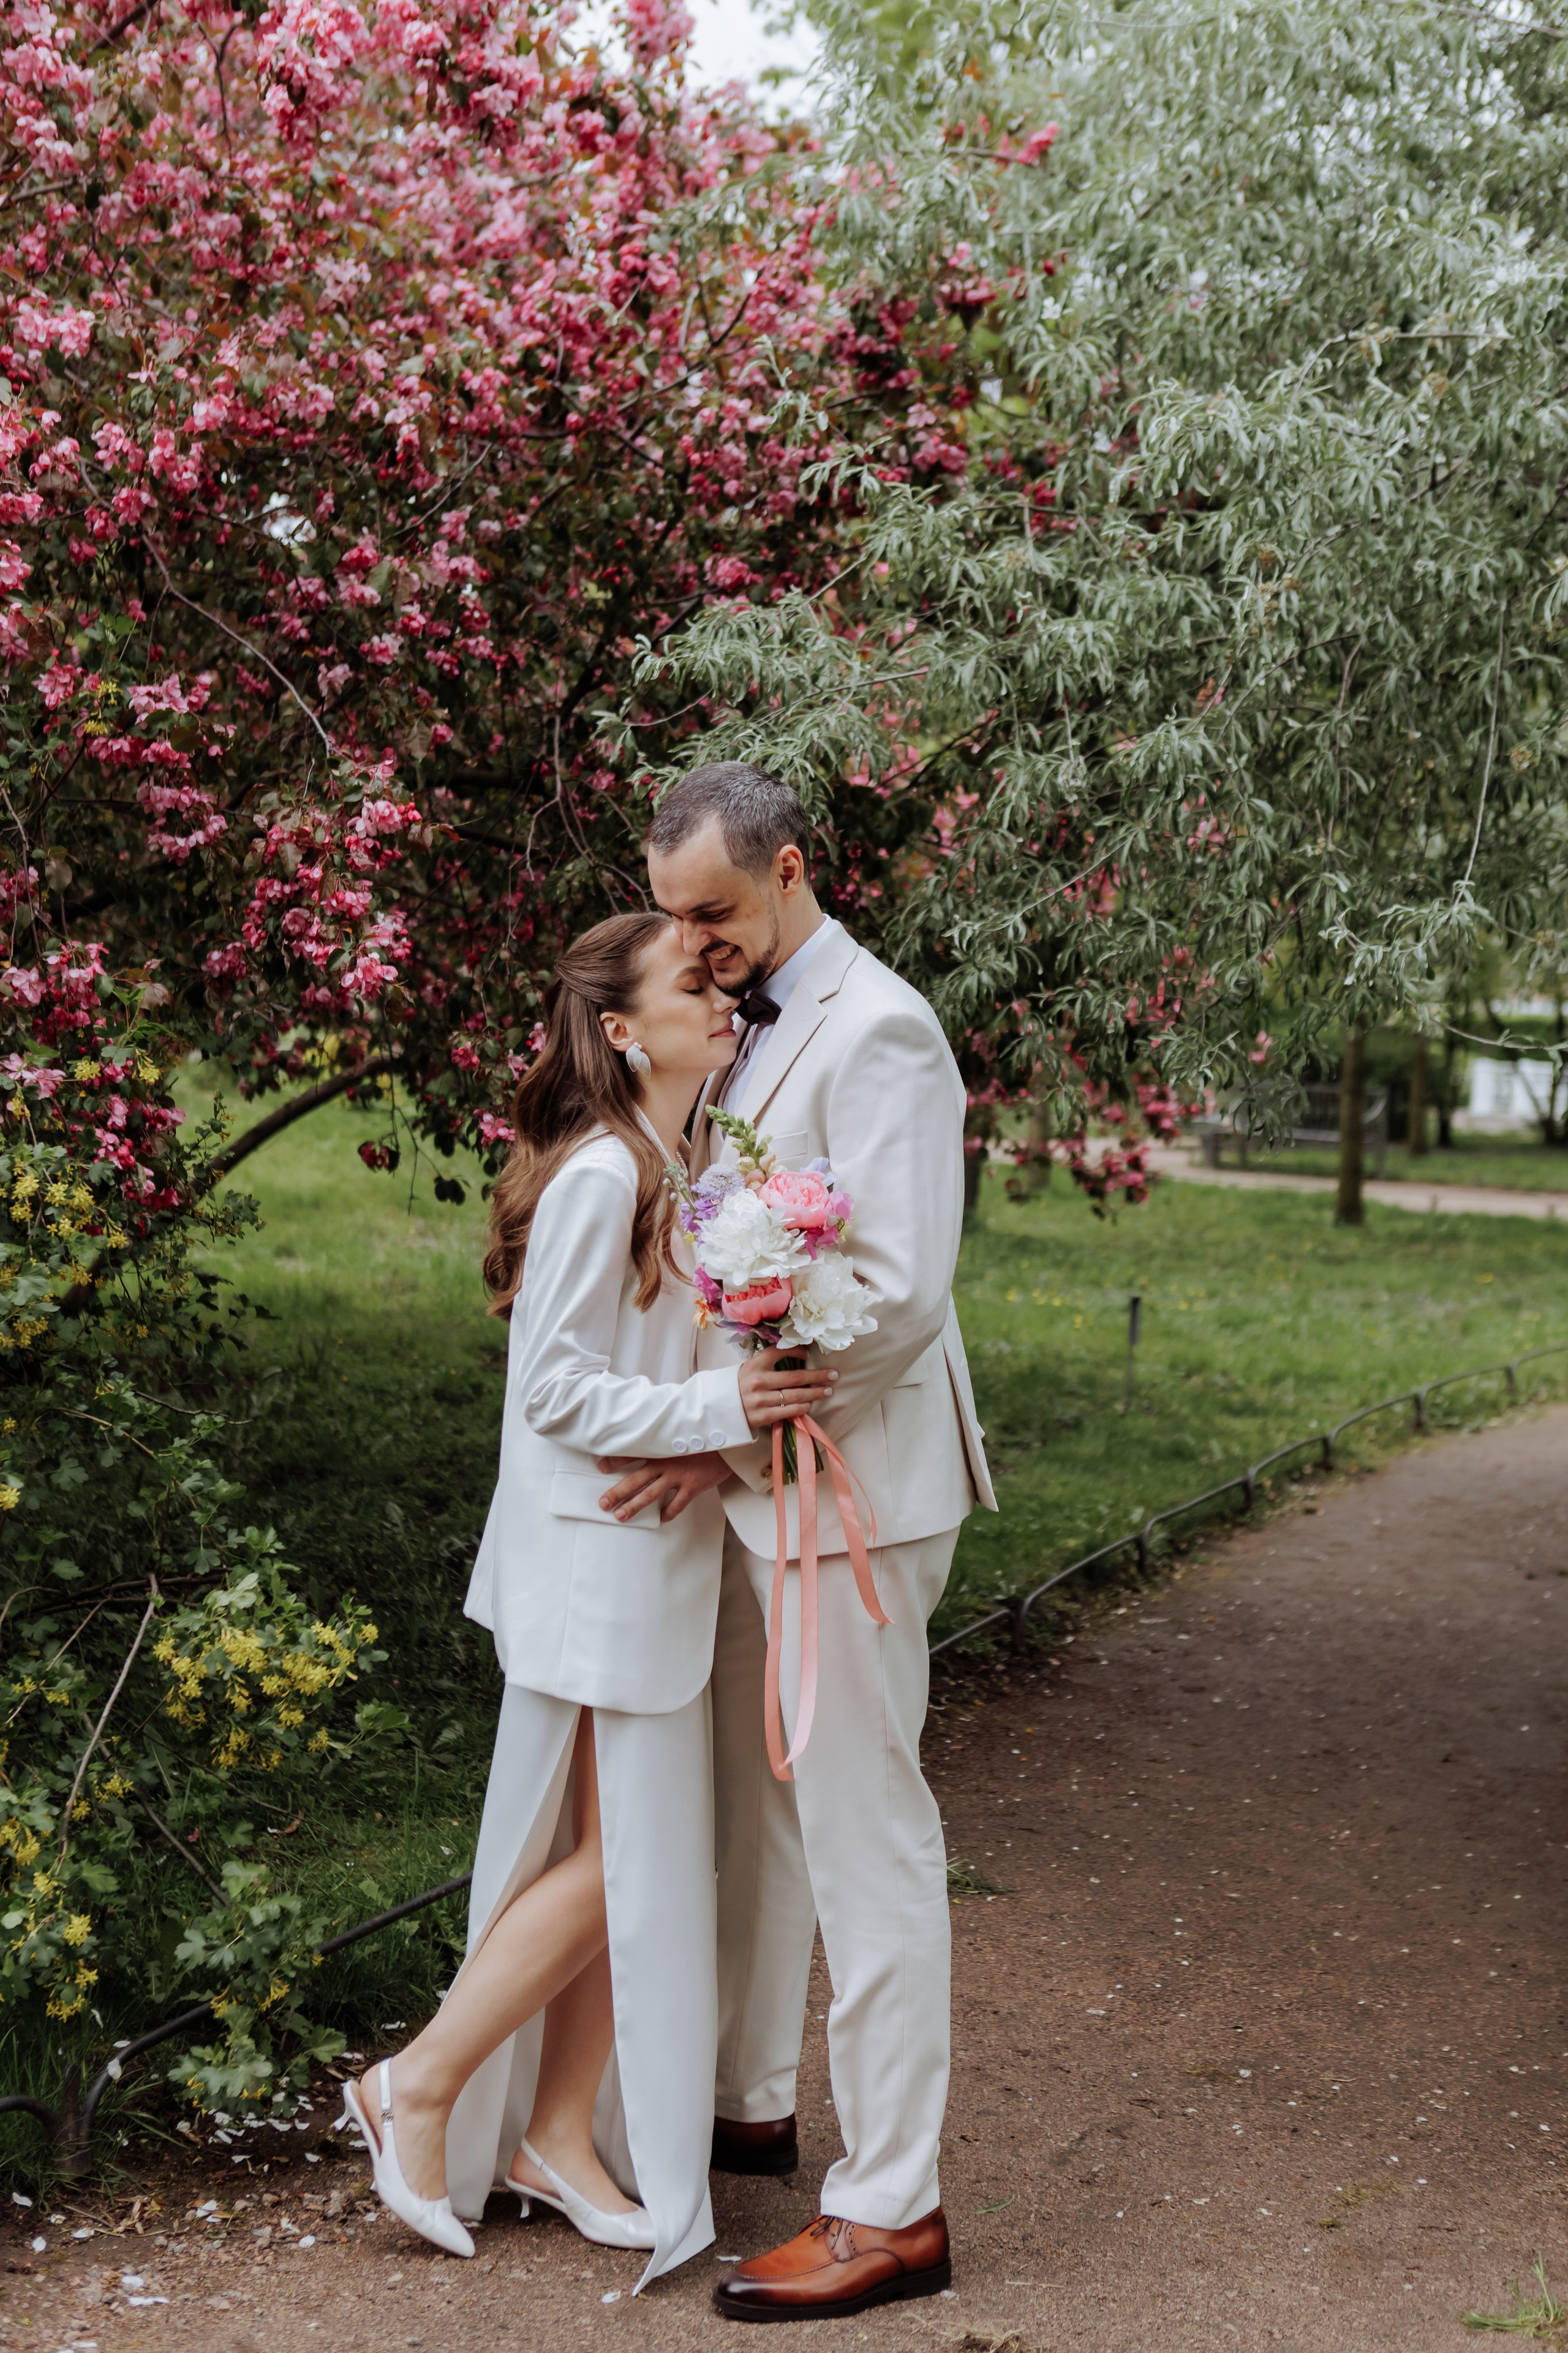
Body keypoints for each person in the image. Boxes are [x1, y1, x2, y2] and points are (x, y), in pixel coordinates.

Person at [341, 911, 834, 2292]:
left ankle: (556, 2132)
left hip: (647, 1561)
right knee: (627, 1861)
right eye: (695, 980)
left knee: (632, 1852)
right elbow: (548, 1386)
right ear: (621, 1028)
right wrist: (718, 1403)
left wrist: (720, 1418)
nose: (721, 994)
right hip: (592, 1562)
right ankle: (419, 2084)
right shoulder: (601, 1176)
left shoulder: (676, 1167)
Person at [597, 765, 998, 2322]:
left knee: (859, 1828)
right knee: (759, 1814)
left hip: (861, 1483)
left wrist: (729, 1424)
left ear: (789, 870)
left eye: (711, 911)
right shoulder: (749, 1013)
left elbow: (890, 1293)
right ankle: (746, 2096)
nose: (690, 944)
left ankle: (892, 2206)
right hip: (775, 1469)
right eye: (671, 915)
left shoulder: (882, 1026)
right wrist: (714, 1427)